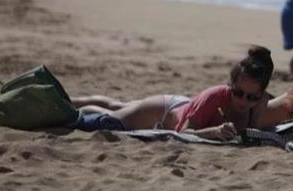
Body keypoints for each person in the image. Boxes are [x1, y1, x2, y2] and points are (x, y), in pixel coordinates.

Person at [72, 46, 274, 140]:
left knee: (119, 105)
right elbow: (183, 132)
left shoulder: (261, 102)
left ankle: (74, 100)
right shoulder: (215, 96)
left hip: (186, 105)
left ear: (261, 94)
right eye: (238, 93)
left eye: (252, 97)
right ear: (230, 84)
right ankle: (72, 103)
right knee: (113, 115)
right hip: (165, 112)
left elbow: (253, 134)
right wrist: (213, 132)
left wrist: (257, 111)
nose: (243, 101)